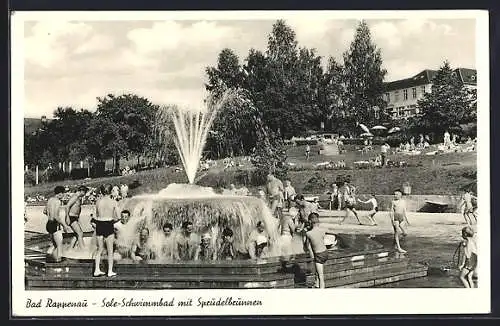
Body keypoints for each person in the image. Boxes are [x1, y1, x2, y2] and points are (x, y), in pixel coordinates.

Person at [92, 184, 120, 277]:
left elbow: (94, 216)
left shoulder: (98, 202)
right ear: (111, 191)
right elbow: (119, 217)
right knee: (110, 250)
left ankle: (96, 270)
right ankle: (110, 271)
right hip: (108, 223)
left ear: (101, 192)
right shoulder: (113, 202)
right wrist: (112, 221)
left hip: (99, 224)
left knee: (99, 249)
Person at [44, 186, 70, 262]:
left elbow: (44, 211)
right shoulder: (57, 201)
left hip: (49, 223)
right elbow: (56, 216)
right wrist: (64, 225)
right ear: (60, 193)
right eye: (63, 193)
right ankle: (59, 261)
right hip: (55, 224)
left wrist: (50, 215)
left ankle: (48, 257)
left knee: (54, 244)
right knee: (59, 245)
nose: (64, 195)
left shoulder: (50, 200)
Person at [304, 213, 327, 288]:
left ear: (310, 222)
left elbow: (306, 246)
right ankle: (316, 285)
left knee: (321, 276)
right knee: (318, 270)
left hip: (319, 255)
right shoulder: (323, 230)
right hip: (325, 253)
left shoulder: (308, 233)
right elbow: (321, 240)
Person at [65, 185, 88, 250]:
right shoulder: (75, 197)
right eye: (85, 192)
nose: (85, 194)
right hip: (71, 217)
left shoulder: (79, 198)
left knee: (76, 234)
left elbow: (78, 209)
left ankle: (70, 249)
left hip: (74, 218)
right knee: (80, 233)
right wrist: (67, 217)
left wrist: (78, 219)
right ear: (82, 191)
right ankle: (83, 249)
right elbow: (67, 206)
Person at [390, 189, 409, 253]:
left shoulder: (403, 201)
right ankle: (399, 248)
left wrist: (407, 220)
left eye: (397, 194)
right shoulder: (393, 202)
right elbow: (391, 211)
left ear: (400, 194)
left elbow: (404, 211)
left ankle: (395, 241)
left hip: (401, 217)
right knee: (397, 232)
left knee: (405, 233)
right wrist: (392, 220)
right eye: (394, 194)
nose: (395, 195)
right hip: (396, 217)